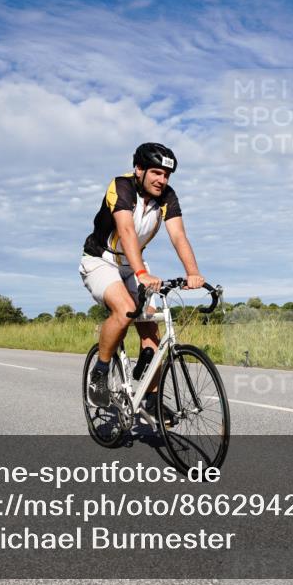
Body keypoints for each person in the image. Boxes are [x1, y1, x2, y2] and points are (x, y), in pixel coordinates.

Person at [79, 143, 205, 410]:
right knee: (126, 310)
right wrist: (142, 273)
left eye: (167, 175)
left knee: (151, 327)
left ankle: (151, 399)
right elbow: (126, 230)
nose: (162, 180)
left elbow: (178, 235)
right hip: (101, 260)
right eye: (156, 173)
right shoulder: (121, 186)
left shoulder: (167, 197)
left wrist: (193, 273)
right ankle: (100, 373)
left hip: (133, 263)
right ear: (139, 169)